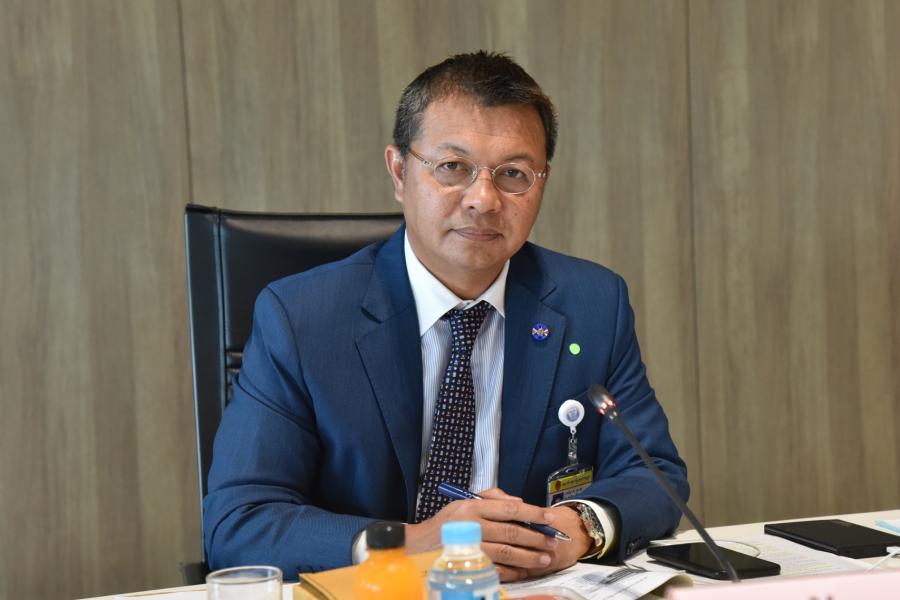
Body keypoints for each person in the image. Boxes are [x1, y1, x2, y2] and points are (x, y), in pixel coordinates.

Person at [203, 51, 688, 582]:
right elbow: (240, 522)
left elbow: (654, 474)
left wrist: (577, 527)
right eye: (453, 167)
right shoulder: (300, 318)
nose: (483, 200)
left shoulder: (592, 304)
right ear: (399, 171)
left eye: (513, 174)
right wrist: (413, 544)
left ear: (542, 183)